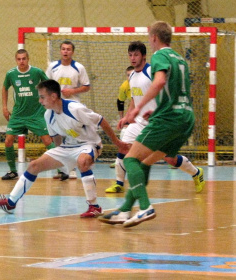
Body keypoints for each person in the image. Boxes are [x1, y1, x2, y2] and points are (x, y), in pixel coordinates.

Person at [99, 21, 197, 228]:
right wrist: (158, 109)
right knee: (144, 164)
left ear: (153, 37)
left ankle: (145, 207)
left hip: (170, 119)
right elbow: (177, 91)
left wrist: (137, 108)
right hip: (186, 118)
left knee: (130, 160)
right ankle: (125, 210)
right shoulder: (180, 58)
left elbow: (160, 82)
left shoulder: (159, 56)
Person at [0, 79, 128, 218]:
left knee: (82, 161)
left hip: (89, 144)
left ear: (53, 96)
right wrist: (59, 158)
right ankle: (10, 202)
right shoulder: (48, 115)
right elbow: (57, 140)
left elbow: (101, 120)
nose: (40, 101)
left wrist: (117, 142)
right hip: (67, 147)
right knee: (34, 165)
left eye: (42, 97)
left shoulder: (75, 109)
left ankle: (94, 206)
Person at [104, 41, 205, 194]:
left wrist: (159, 111)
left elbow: (163, 90)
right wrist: (127, 116)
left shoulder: (153, 71)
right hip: (138, 122)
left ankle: (196, 173)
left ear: (144, 56)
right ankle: (119, 183)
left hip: (157, 121)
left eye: (136, 55)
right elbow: (134, 98)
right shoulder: (131, 76)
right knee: (123, 146)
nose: (133, 58)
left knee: (169, 158)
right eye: (130, 55)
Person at [0, 49, 54, 180]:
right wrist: (4, 107)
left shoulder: (37, 72)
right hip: (18, 114)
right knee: (8, 141)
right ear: (16, 60)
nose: (21, 61)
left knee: (47, 140)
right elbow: (4, 88)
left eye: (24, 58)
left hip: (36, 114)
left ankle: (61, 170)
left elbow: (49, 86)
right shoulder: (11, 74)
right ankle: (13, 171)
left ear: (28, 59)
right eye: (19, 59)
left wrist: (47, 102)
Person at [46, 40, 91, 180]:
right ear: (60, 51)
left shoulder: (79, 67)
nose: (65, 51)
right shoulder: (52, 67)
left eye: (68, 49)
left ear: (72, 52)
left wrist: (73, 91)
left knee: (72, 136)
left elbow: (86, 86)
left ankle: (72, 169)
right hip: (55, 106)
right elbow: (46, 84)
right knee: (57, 136)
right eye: (63, 49)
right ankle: (62, 169)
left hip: (72, 107)